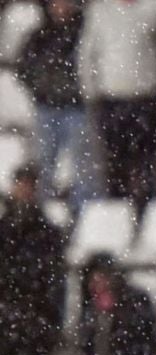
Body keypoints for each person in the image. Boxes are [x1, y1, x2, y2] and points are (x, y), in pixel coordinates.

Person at [76, 0, 156, 204]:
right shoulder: (100, 11)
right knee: (116, 161)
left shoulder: (154, 8)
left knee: (146, 162)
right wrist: (90, 91)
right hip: (111, 99)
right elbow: (87, 54)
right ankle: (117, 210)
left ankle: (146, 208)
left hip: (145, 98)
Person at [0, 166, 69, 355]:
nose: (25, 190)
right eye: (22, 184)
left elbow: (54, 278)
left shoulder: (47, 231)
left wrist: (48, 314)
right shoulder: (5, 229)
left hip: (36, 314)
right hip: (7, 314)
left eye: (30, 185)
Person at [20, 0, 94, 207]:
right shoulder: (39, 36)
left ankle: (80, 212)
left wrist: (76, 88)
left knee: (80, 165)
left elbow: (89, 62)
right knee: (45, 163)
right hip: (47, 107)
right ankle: (42, 211)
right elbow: (24, 67)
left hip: (75, 107)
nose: (60, 7)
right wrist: (41, 88)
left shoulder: (81, 33)